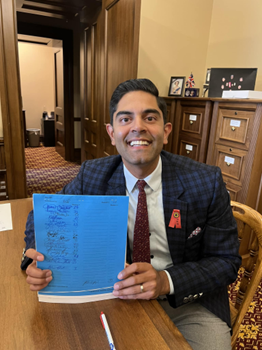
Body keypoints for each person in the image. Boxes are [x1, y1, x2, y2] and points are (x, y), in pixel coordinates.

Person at [21, 78, 241, 350]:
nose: (138, 127)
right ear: (112, 133)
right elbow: (43, 216)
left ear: (166, 130)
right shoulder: (93, 175)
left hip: (188, 302)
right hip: (112, 295)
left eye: (150, 117)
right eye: (126, 119)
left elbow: (226, 261)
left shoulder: (206, 182)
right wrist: (34, 256)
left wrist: (165, 281)